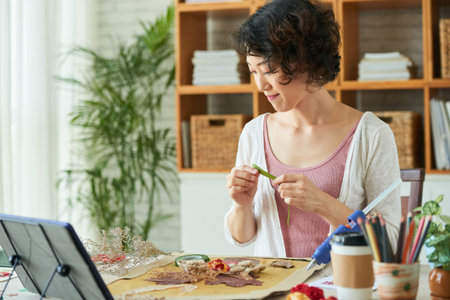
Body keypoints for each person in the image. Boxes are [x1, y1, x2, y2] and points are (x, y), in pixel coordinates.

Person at [224, 0, 401, 258]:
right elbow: (241, 239)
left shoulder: (371, 135)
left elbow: (390, 243)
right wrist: (241, 205)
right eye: (254, 72)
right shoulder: (253, 133)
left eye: (269, 70)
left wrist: (324, 204)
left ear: (305, 61)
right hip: (275, 293)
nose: (261, 85)